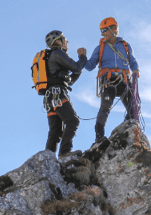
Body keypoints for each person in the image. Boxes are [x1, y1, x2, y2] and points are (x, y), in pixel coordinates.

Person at [85, 18, 140, 144]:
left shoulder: (125, 46)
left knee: (133, 106)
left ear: (114, 29)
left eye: (105, 30)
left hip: (124, 81)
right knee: (105, 107)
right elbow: (89, 66)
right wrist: (82, 57)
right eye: (101, 31)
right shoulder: (100, 48)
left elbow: (132, 61)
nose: (103, 34)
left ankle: (129, 130)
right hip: (108, 82)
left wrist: (136, 70)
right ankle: (99, 137)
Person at [44, 30, 87, 159]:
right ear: (58, 41)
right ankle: (64, 152)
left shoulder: (50, 57)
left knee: (55, 131)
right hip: (58, 95)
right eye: (64, 39)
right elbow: (76, 67)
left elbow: (70, 81)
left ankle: (48, 160)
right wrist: (82, 57)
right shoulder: (57, 53)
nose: (67, 42)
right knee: (73, 121)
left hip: (49, 98)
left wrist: (78, 70)